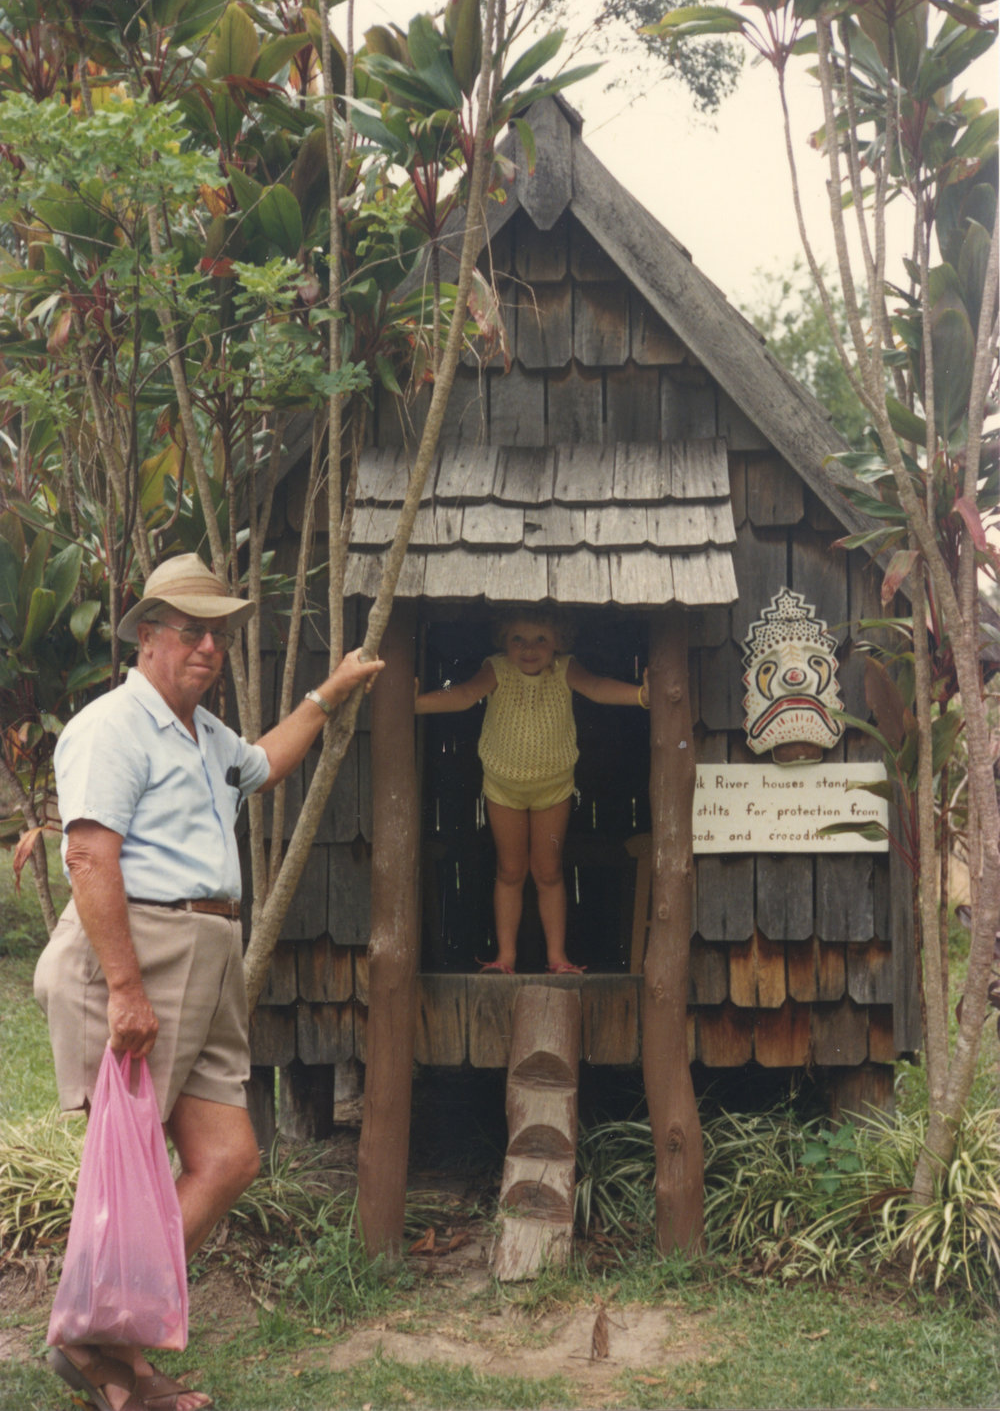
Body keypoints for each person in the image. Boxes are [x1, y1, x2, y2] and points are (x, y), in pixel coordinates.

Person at [34, 553, 383, 1411]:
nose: (208, 648)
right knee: (130, 1161)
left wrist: (329, 693)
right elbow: (88, 853)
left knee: (227, 1159)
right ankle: (111, 1350)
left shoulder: (202, 734)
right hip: (137, 947)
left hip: (206, 949)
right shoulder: (113, 726)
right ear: (147, 637)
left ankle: (99, 1335)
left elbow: (262, 764)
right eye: (192, 632)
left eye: (216, 635)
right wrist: (123, 988)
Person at [415, 612, 648, 975]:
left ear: (559, 640)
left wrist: (641, 696)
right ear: (503, 641)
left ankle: (558, 958)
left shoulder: (566, 669)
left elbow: (599, 688)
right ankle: (505, 958)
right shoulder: (496, 669)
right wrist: (415, 703)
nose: (529, 649)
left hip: (552, 787)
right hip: (503, 786)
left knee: (549, 873)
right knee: (510, 871)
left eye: (541, 638)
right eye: (518, 639)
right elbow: (462, 695)